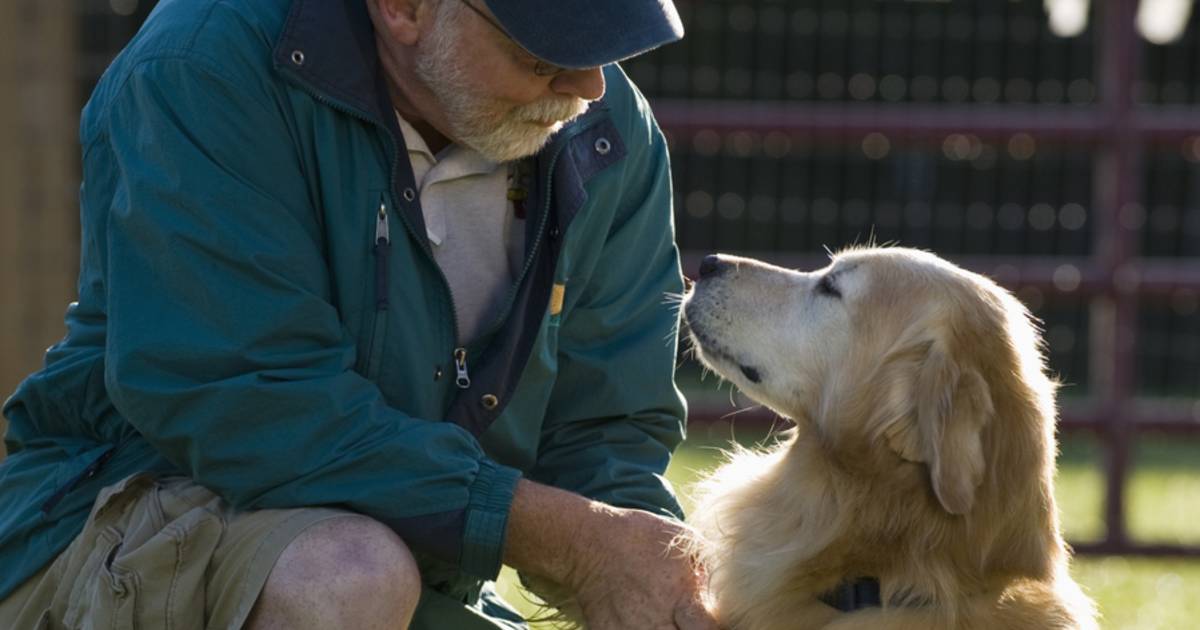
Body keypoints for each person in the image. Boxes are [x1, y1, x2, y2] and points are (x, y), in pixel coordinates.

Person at [0, 0, 718, 628]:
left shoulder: (606, 127)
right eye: (542, 51)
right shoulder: (203, 68)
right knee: (349, 576)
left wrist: (650, 578)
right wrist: (562, 536)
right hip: (127, 523)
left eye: (604, 41)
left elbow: (608, 431)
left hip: (417, 571)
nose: (591, 86)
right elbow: (251, 403)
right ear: (402, 7)